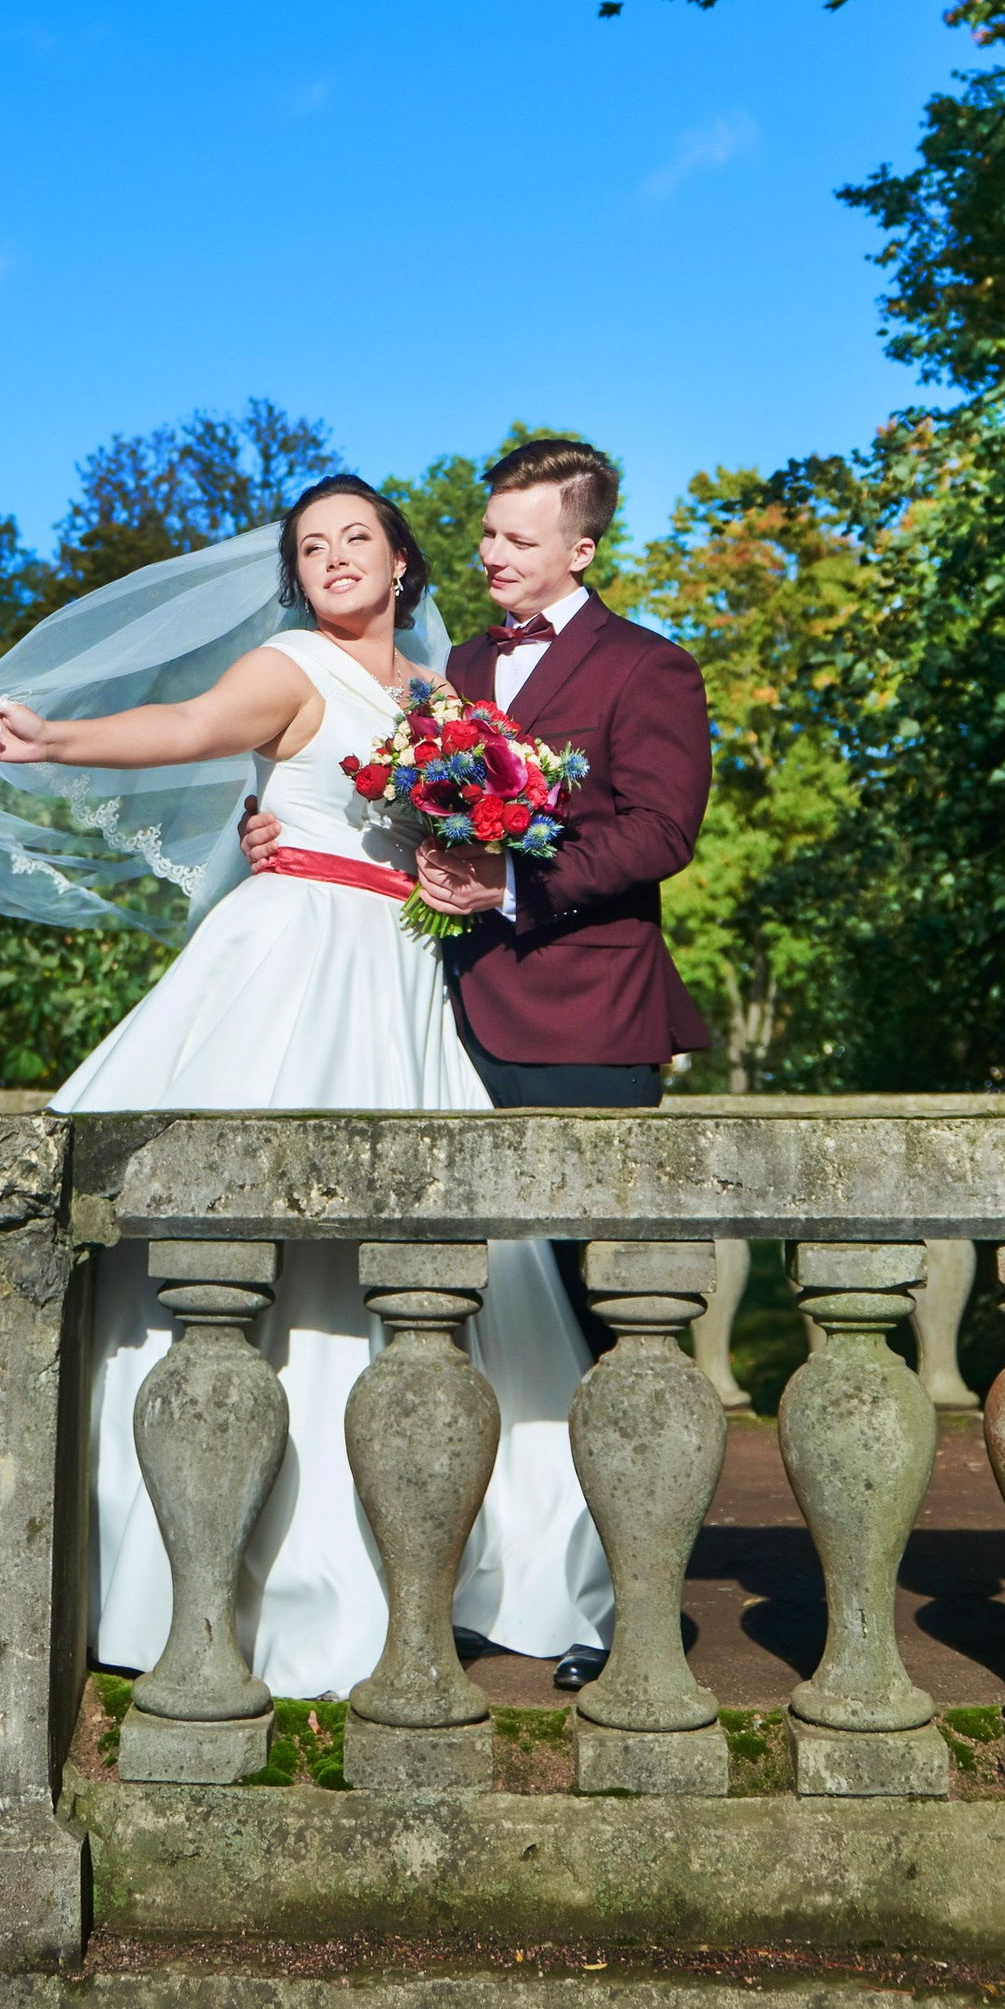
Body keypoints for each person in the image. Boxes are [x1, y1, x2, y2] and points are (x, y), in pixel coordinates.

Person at [0, 473, 610, 1700]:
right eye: (312, 546)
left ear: (404, 561)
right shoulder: (289, 663)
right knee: (255, 1243)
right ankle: (235, 1573)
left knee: (427, 1256)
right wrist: (53, 738)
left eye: (356, 537)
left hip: (403, 975)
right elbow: (187, 727)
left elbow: (467, 830)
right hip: (296, 954)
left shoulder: (443, 698)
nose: (334, 559)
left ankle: (442, 1559)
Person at [240, 435, 713, 1687]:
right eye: (488, 533)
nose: (491, 555)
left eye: (515, 538)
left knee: (608, 1336)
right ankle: (478, 1571)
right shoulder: (447, 669)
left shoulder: (649, 667)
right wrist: (275, 823)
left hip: (588, 1032)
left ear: (581, 547)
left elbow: (662, 829)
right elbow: (382, 806)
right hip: (433, 1017)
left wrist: (512, 877)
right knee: (463, 1327)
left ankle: (625, 1612)